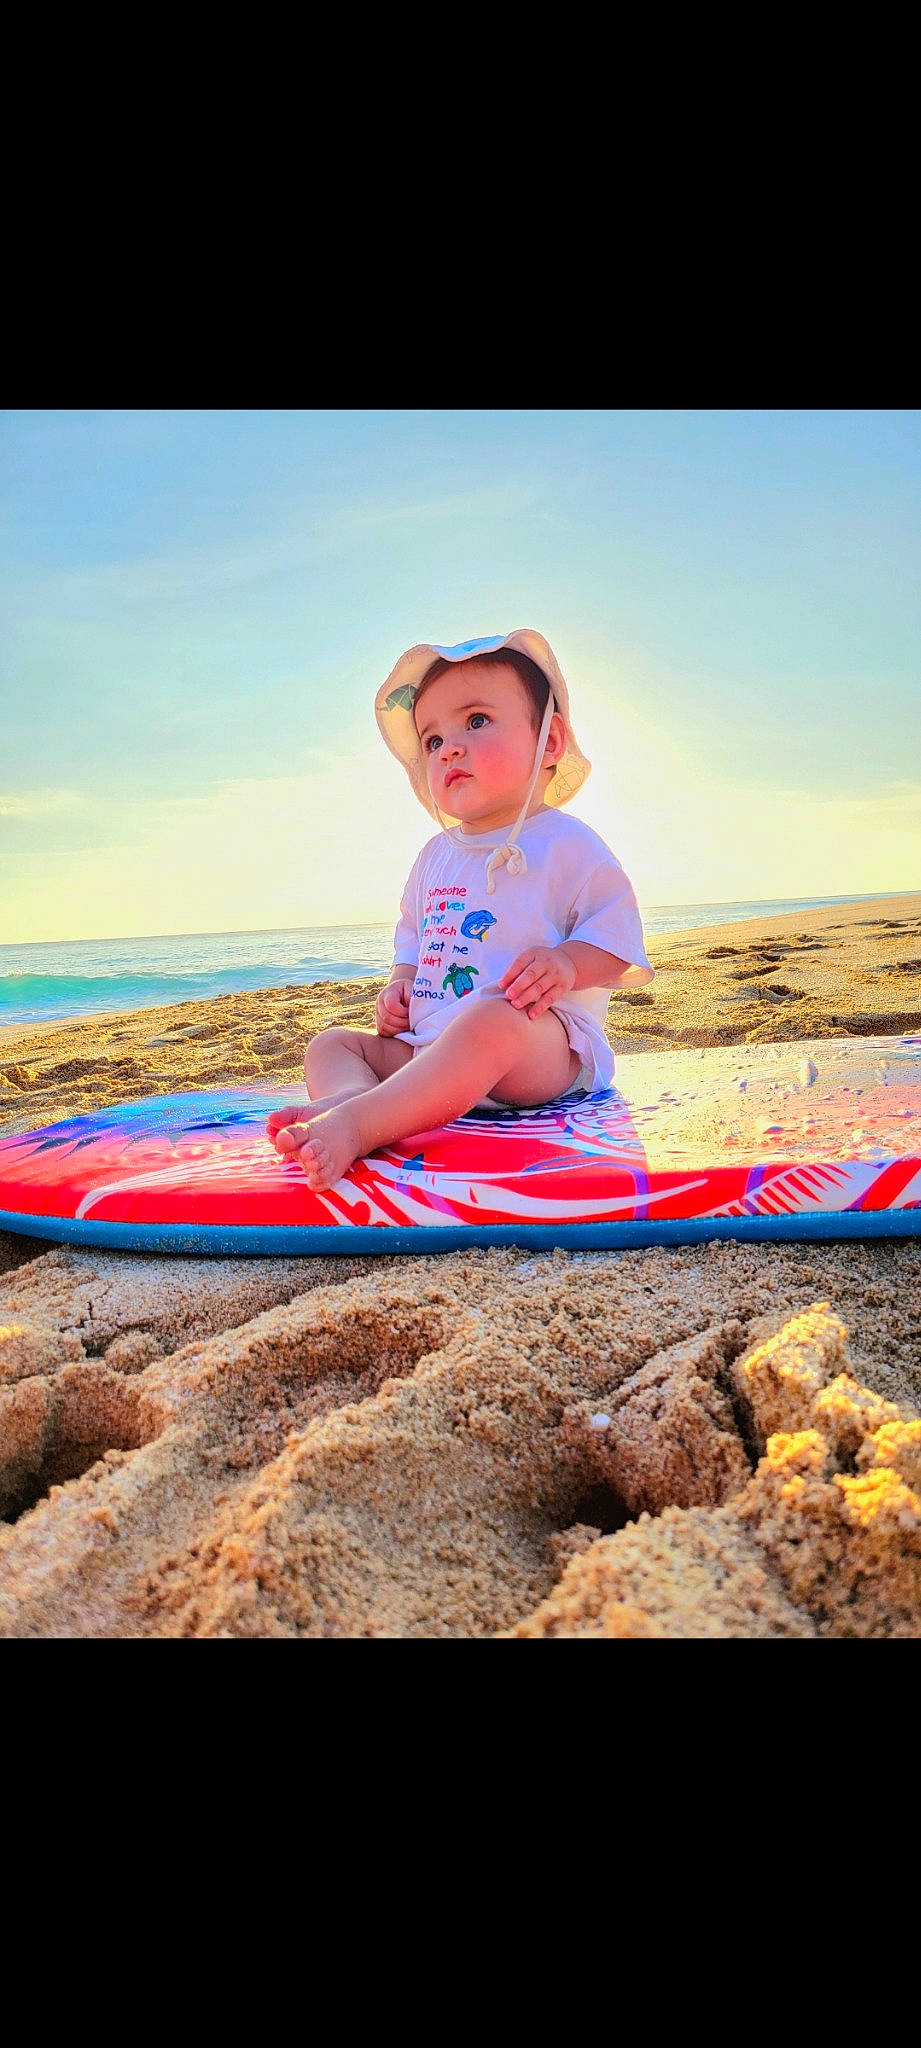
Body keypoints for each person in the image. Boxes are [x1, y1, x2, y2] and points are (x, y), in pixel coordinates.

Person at [267, 629, 653, 1191]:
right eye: (431, 740)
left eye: (475, 721)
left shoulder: (568, 843)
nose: (449, 747)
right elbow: (415, 937)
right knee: (332, 1044)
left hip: (536, 1050)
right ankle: (359, 1101)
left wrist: (567, 965)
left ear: (548, 743)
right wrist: (400, 986)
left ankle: (359, 1124)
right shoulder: (434, 858)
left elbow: (617, 941)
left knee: (491, 1017)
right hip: (431, 1056)